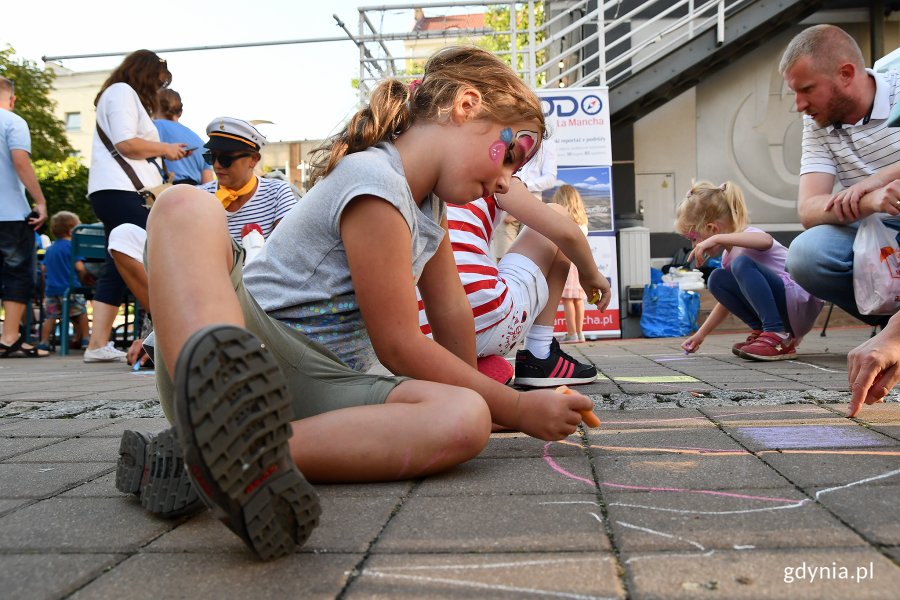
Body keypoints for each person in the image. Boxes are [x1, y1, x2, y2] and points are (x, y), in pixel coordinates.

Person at [123, 46, 594, 561]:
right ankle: (216, 390)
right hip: (251, 346)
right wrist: (520, 406)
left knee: (463, 419)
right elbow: (399, 345)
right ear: (465, 106)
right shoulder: (375, 180)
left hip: (318, 394)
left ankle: (228, 457)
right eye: (511, 153)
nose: (506, 180)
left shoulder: (426, 205)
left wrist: (482, 401)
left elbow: (452, 313)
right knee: (184, 204)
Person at [109, 116, 297, 368]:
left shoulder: (276, 192)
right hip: (202, 284)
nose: (218, 165)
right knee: (122, 236)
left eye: (226, 158)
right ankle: (166, 328)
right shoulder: (199, 195)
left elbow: (285, 248)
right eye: (211, 158)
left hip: (257, 287)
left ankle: (180, 338)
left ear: (253, 159)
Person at [423, 180, 609, 387]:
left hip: (423, 342)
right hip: (486, 322)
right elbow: (568, 234)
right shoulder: (493, 174)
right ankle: (540, 352)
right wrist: (589, 273)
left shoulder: (416, 174)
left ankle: (465, 364)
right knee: (557, 213)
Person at [780, 25, 900, 327]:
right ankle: (889, 326)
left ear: (846, 74)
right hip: (874, 229)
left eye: (807, 89)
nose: (800, 105)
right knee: (807, 255)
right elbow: (809, 209)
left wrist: (877, 181)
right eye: (795, 92)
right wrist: (870, 200)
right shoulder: (816, 123)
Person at [83, 49, 188, 363]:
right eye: (158, 82)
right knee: (150, 256)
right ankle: (166, 330)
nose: (157, 90)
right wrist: (165, 149)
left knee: (118, 260)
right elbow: (126, 142)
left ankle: (98, 344)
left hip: (115, 189)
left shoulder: (115, 94)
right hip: (125, 190)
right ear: (146, 73)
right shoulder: (122, 93)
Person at [677, 181, 823, 361]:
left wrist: (715, 239)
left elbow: (766, 240)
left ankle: (777, 334)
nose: (694, 246)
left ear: (713, 229)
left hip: (799, 303)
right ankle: (764, 332)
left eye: (694, 239)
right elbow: (726, 302)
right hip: (785, 306)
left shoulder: (748, 236)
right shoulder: (728, 258)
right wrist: (700, 334)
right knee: (717, 279)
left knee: (741, 264)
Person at [0, 76, 49, 358]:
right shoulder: (13, 121)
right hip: (11, 214)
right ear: (12, 98)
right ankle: (9, 337)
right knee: (17, 274)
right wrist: (40, 201)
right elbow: (20, 160)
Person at [492, 136, 558, 260]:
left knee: (532, 259)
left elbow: (550, 178)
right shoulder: (507, 137)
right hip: (507, 202)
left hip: (532, 205)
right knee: (503, 257)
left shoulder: (547, 144)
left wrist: (524, 186)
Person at [37, 212, 93, 351]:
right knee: (81, 314)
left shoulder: (49, 249)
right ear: (71, 231)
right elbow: (79, 267)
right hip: (70, 289)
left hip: (51, 291)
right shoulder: (72, 247)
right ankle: (86, 339)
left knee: (50, 317)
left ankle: (44, 342)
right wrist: (86, 275)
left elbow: (43, 268)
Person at [553, 185, 590, 344]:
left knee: (568, 299)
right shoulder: (582, 221)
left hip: (567, 260)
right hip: (580, 262)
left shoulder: (562, 219)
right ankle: (580, 333)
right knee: (578, 298)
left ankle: (571, 333)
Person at [153, 89, 213, 186]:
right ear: (180, 112)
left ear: (154, 106)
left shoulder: (153, 128)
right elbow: (208, 183)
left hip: (166, 193)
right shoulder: (199, 141)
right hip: (195, 193)